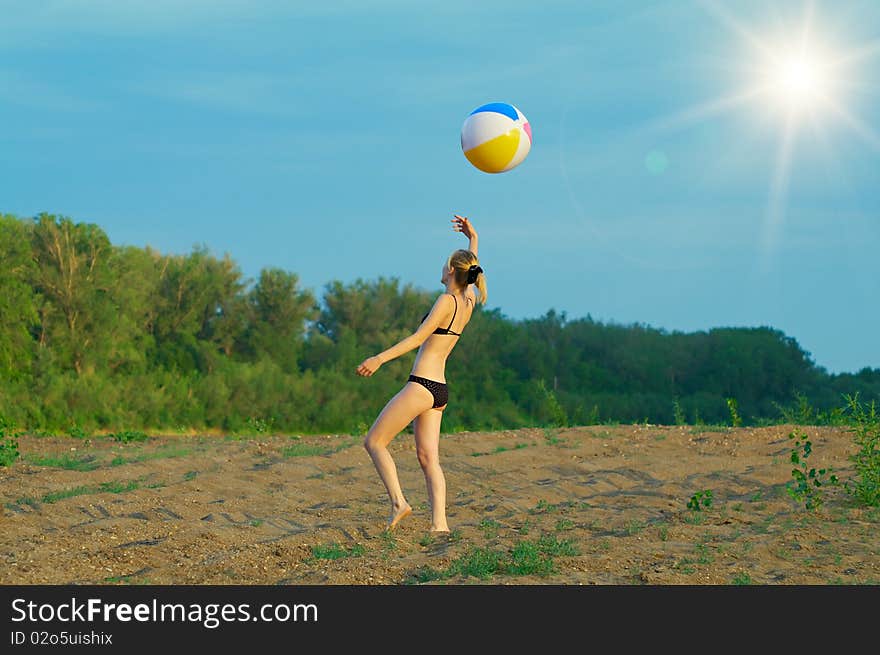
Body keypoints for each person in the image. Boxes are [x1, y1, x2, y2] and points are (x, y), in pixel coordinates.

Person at [356, 214, 487, 532]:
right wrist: (474, 238)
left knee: (374, 442)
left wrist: (380, 358)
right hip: (440, 390)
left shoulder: (446, 301)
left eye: (446, 265)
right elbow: (474, 268)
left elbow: (416, 339)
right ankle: (440, 526)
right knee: (429, 459)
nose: (442, 268)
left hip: (421, 385)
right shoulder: (468, 301)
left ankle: (399, 503)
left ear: (452, 271)